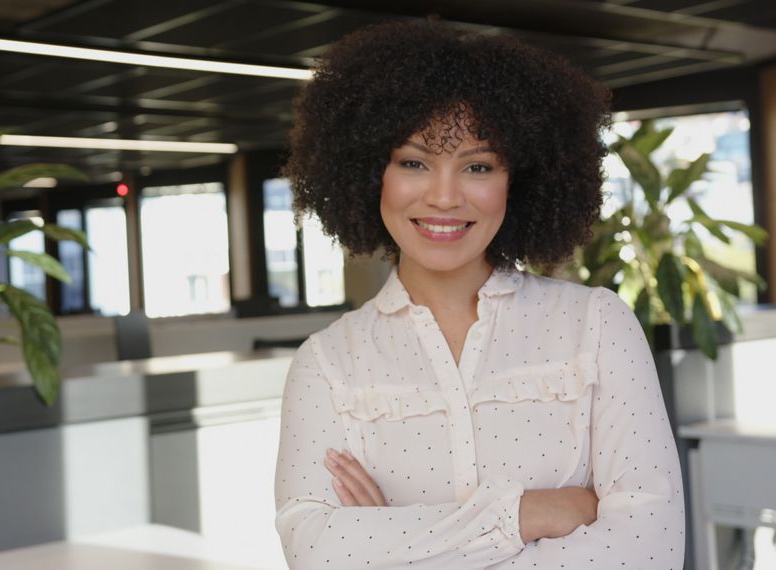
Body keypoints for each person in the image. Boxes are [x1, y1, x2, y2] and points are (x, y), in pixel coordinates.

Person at [273, 20, 685, 569]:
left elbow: (647, 549)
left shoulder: (598, 325)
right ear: (372, 174)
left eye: (478, 166)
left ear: (520, 180)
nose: (444, 196)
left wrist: (393, 542)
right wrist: (522, 518)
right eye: (414, 162)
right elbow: (317, 552)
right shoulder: (326, 365)